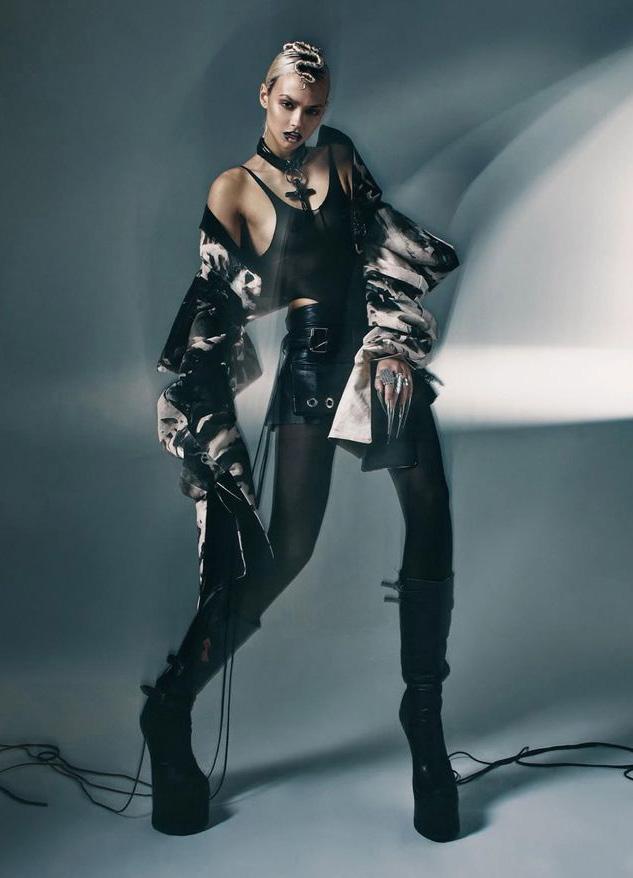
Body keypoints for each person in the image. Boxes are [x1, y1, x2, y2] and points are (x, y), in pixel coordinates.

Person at [140, 40, 461, 842]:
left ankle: (424, 725)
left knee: (429, 509)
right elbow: (212, 312)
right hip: (312, 369)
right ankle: (169, 705)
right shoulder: (233, 190)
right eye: (287, 104)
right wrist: (207, 440)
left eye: (312, 110)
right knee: (286, 552)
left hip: (375, 362)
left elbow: (381, 258)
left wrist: (394, 347)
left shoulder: (339, 156)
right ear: (264, 94)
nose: (298, 122)